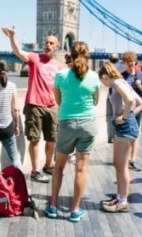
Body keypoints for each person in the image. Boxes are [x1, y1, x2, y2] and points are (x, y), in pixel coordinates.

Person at [44, 42, 100, 222]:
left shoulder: (60, 75)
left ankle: (52, 206)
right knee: (81, 169)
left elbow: (58, 101)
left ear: (71, 54)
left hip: (67, 123)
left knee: (59, 166)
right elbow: (96, 101)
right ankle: (75, 210)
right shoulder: (93, 76)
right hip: (88, 124)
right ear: (87, 55)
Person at [1, 26, 62, 183]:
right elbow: (18, 52)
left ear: (57, 46)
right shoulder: (35, 58)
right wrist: (12, 37)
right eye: (46, 42)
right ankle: (35, 170)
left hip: (53, 106)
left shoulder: (60, 66)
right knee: (34, 139)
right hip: (35, 105)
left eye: (51, 43)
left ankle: (48, 165)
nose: (48, 45)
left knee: (52, 139)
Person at [98, 62, 142, 213]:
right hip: (125, 126)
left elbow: (131, 101)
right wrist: (129, 116)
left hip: (125, 127)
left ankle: (123, 201)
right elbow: (141, 103)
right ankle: (119, 197)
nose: (103, 84)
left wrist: (125, 117)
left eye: (102, 81)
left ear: (105, 76)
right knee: (118, 164)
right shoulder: (124, 83)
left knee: (122, 166)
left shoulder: (118, 83)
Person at [121, 51, 142, 172]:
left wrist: (140, 86)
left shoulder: (141, 75)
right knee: (126, 135)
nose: (130, 63)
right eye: (128, 62)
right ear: (125, 63)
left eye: (132, 61)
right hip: (125, 108)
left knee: (135, 134)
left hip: (137, 107)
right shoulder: (121, 76)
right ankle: (125, 158)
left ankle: (132, 160)